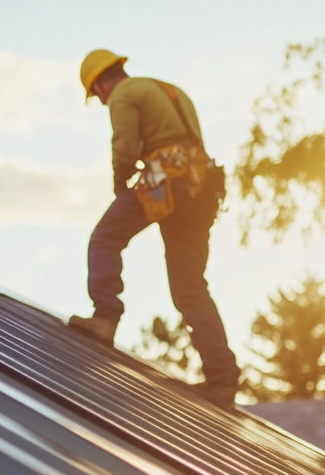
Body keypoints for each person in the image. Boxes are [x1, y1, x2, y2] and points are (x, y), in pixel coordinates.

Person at [69, 50, 241, 408]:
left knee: (105, 237)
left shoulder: (123, 95)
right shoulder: (168, 89)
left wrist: (121, 186)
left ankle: (105, 317)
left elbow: (125, 145)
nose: (101, 101)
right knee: (190, 287)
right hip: (203, 185)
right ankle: (223, 379)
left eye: (97, 95)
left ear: (100, 84)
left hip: (169, 176)